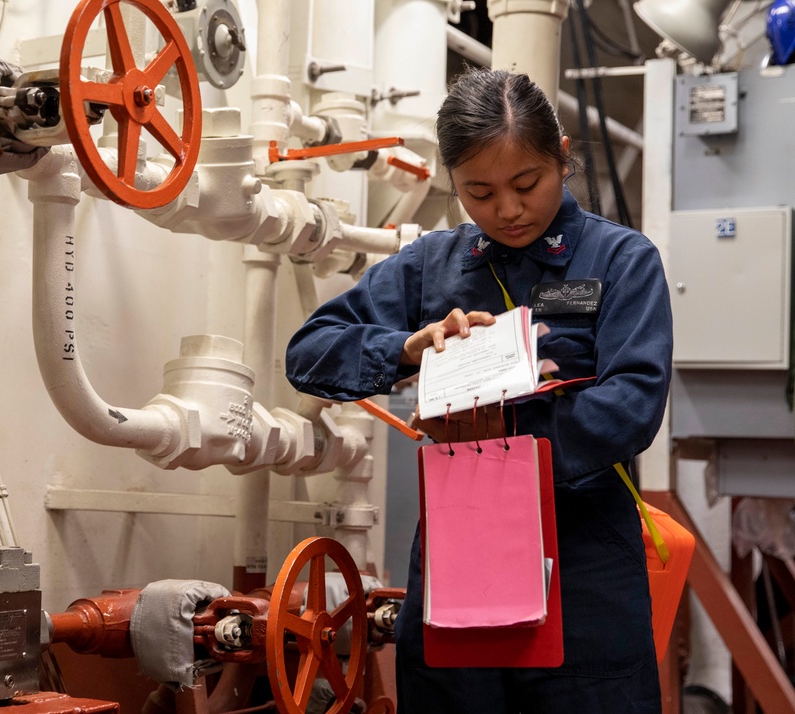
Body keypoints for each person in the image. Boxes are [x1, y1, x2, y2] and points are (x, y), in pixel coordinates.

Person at [285, 68, 672, 713]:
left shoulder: (620, 261)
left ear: (563, 157)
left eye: (527, 184)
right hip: (458, 550)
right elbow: (309, 354)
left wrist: (510, 430)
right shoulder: (428, 267)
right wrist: (406, 348)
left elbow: (633, 404)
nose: (508, 210)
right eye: (479, 193)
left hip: (582, 563)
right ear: (452, 182)